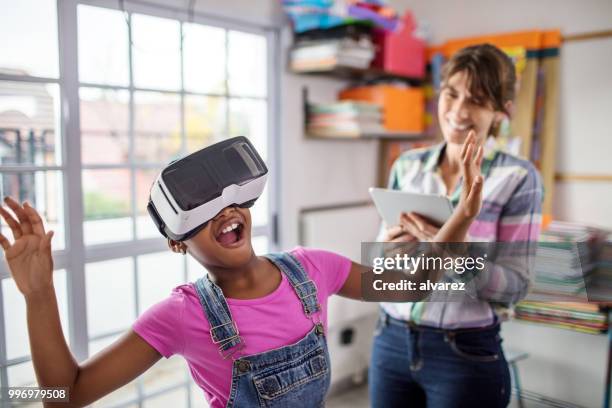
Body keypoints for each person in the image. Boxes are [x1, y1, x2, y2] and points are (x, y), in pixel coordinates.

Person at [0, 132, 483, 407]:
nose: (225, 212)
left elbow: (409, 288)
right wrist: (38, 294)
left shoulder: (313, 268)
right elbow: (66, 395)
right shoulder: (180, 315)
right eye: (201, 210)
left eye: (230, 198)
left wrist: (460, 216)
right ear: (176, 241)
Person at [369, 43, 544, 408]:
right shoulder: (408, 165)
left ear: (501, 112)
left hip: (463, 352)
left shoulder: (518, 177)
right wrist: (389, 248)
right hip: (390, 340)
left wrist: (451, 252)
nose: (459, 111)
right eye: (451, 94)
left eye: (478, 100)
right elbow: (382, 264)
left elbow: (515, 286)